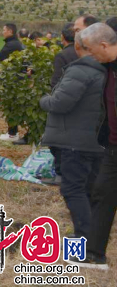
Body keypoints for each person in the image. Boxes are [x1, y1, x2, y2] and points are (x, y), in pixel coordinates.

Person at [40, 29, 107, 242]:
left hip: (74, 142)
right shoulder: (104, 71)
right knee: (88, 189)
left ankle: (85, 237)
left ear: (79, 47)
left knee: (73, 189)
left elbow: (60, 102)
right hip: (93, 140)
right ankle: (91, 236)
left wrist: (44, 100)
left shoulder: (80, 71)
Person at [70, 22, 117, 270]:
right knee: (102, 193)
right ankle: (93, 254)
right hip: (111, 144)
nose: (88, 55)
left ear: (103, 45)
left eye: (90, 50)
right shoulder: (106, 68)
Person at [43, 22, 79, 186]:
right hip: (81, 103)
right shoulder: (85, 53)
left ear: (62, 37)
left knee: (57, 140)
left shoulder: (63, 55)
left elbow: (56, 82)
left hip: (64, 101)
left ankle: (60, 174)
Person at [0, 23, 24, 142]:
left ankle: (12, 133)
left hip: (13, 80)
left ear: (10, 31)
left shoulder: (12, 45)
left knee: (12, 106)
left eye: (4, 30)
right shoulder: (15, 43)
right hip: (15, 79)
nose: (3, 32)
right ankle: (12, 132)